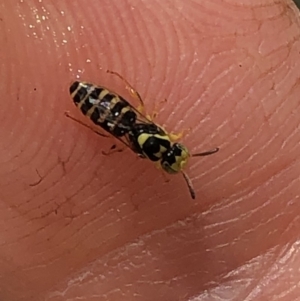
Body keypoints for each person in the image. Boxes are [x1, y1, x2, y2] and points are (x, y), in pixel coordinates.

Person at [1, 1, 300, 300]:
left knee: (131, 114)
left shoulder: (153, 134)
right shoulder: (146, 149)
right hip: (109, 114)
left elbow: (139, 104)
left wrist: (121, 86)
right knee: (121, 123)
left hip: (114, 113)